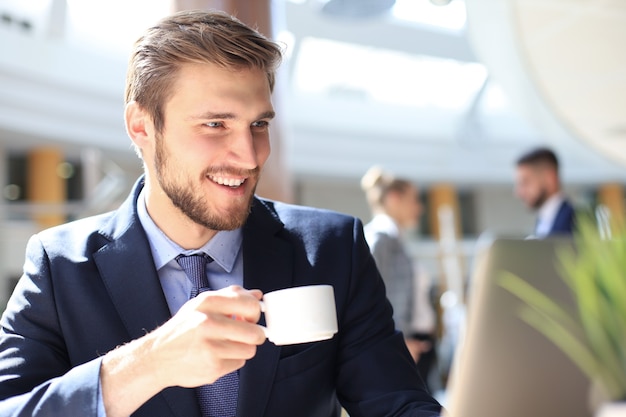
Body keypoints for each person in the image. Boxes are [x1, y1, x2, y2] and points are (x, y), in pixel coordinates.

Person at [0, 10, 441, 417]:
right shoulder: (59, 268)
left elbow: (398, 404)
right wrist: (150, 363)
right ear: (142, 126)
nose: (250, 156)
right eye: (216, 124)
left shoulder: (331, 249)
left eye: (259, 124)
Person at [360, 166, 437, 391]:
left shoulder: (394, 240)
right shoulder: (380, 240)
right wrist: (397, 344)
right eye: (414, 200)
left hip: (414, 346)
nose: (419, 208)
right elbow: (369, 299)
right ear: (394, 199)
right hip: (404, 347)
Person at [514, 147, 576, 238]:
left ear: (549, 178)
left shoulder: (574, 220)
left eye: (525, 182)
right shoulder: (542, 220)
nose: (518, 192)